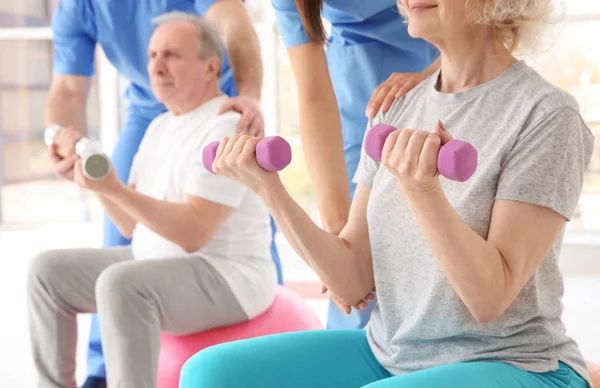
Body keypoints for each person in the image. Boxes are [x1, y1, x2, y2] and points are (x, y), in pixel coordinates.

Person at [178, 0, 596, 387]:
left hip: (510, 360)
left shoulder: (545, 115)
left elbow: (489, 299)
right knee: (209, 373)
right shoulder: (397, 106)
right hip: (389, 351)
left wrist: (424, 191)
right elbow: (351, 280)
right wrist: (268, 188)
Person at [29, 13, 278, 388]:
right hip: (156, 260)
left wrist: (115, 188)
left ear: (211, 68)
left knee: (121, 283)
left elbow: (194, 231)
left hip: (227, 275)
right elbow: (131, 225)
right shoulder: (160, 125)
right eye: (152, 55)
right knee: (46, 272)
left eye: (172, 55)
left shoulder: (227, 125)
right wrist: (98, 183)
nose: (156, 67)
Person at [271, 0, 441, 330]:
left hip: (445, 62)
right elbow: (313, 94)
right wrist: (336, 226)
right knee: (355, 252)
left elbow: (492, 21)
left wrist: (432, 76)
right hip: (358, 86)